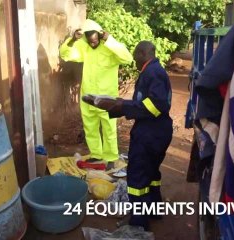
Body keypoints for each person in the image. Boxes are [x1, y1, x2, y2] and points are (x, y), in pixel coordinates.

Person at [83, 41, 173, 230]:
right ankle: (153, 210)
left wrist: (123, 106)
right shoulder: (153, 71)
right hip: (156, 131)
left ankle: (138, 223)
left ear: (142, 53)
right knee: (151, 173)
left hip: (150, 133)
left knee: (137, 177)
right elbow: (141, 103)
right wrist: (114, 104)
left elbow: (156, 106)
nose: (134, 60)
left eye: (135, 56)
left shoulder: (152, 72)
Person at [60, 19, 133, 169]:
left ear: (100, 36)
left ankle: (111, 157)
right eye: (89, 41)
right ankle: (96, 154)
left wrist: (110, 40)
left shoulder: (110, 48)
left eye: (95, 40)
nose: (92, 43)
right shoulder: (84, 46)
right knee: (90, 128)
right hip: (88, 96)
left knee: (109, 129)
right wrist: (73, 39)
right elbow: (65, 54)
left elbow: (127, 58)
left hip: (107, 99)